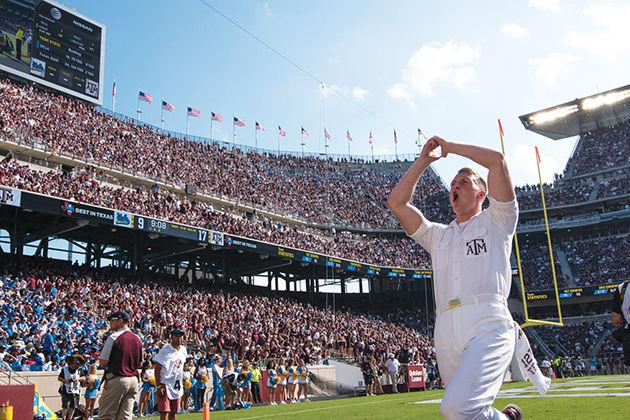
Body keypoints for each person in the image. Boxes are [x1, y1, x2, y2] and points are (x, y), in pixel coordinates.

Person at [388, 136, 523, 420]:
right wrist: (424, 160)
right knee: (463, 414)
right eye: (452, 184)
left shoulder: (498, 219)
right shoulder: (438, 235)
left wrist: (450, 148)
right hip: (446, 326)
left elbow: (497, 160)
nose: (455, 186)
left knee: (456, 408)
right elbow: (397, 203)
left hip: (487, 321)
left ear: (481, 194)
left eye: (464, 182)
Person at [98, 311, 143, 420]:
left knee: (107, 415)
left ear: (120, 320)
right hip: (133, 380)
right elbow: (140, 363)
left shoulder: (113, 337)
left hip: (118, 378)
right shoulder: (137, 338)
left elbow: (103, 362)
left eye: (112, 320)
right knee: (125, 417)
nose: (110, 323)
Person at [154, 327, 188, 420]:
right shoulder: (165, 351)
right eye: (176, 336)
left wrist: (183, 378)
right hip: (165, 383)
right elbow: (157, 369)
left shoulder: (183, 350)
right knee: (164, 411)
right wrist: (159, 386)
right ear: (172, 337)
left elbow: (181, 366)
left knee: (174, 412)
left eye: (181, 336)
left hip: (176, 384)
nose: (179, 338)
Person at [58, 355, 85, 420]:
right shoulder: (65, 369)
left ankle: (70, 418)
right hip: (66, 390)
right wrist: (65, 380)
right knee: (65, 406)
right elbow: (59, 378)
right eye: (73, 365)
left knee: (73, 406)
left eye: (76, 365)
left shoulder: (79, 370)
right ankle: (64, 418)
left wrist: (78, 378)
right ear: (70, 364)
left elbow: (84, 378)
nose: (75, 366)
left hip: (75, 391)